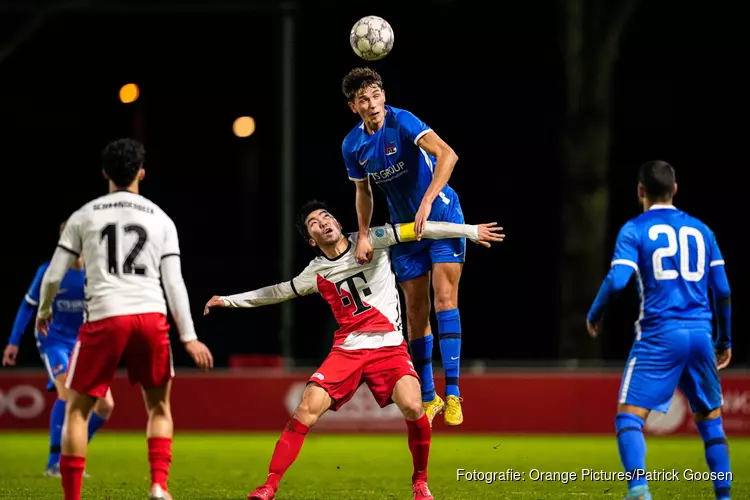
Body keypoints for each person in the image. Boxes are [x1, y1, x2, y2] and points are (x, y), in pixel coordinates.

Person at [204, 200, 503, 500]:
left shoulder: (373, 238)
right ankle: (268, 486)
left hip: (389, 347)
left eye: (326, 216)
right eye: (314, 223)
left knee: (414, 406)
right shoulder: (316, 272)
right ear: (312, 240)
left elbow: (422, 229)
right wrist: (229, 300)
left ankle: (420, 482)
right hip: (348, 349)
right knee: (305, 409)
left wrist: (469, 231)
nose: (323, 222)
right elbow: (278, 291)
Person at [35, 138, 214, 500]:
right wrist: (189, 335)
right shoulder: (161, 218)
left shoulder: (84, 215)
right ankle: (159, 486)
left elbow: (53, 274)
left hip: (105, 316)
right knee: (159, 406)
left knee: (77, 410)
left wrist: (44, 310)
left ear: (105, 173)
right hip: (150, 316)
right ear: (141, 173)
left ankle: (71, 496)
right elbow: (173, 281)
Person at [587, 161, 732, 500]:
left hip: (659, 334)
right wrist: (723, 340)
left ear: (640, 191)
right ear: (675, 189)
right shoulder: (702, 231)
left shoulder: (634, 229)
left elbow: (618, 279)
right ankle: (724, 496)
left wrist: (595, 313)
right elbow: (722, 290)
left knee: (629, 419)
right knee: (711, 423)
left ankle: (638, 489)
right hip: (700, 332)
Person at [341, 67, 468, 426]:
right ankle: (430, 396)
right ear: (354, 106)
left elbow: (448, 155)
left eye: (376, 94)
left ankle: (455, 392)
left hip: (441, 215)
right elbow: (362, 191)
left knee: (444, 297)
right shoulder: (353, 145)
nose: (373, 103)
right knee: (415, 310)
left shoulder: (404, 121)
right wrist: (363, 233)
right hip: (404, 231)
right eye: (363, 99)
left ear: (383, 94)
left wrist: (427, 201)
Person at [3, 221, 114, 477]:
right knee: (67, 393)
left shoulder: (97, 274)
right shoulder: (50, 271)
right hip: (53, 340)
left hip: (84, 343)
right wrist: (13, 341)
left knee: (105, 405)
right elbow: (28, 306)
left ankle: (71, 449)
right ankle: (55, 463)